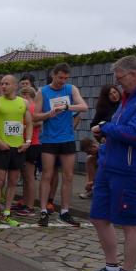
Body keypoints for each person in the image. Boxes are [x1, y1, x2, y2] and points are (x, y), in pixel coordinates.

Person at [82, 55, 136, 271]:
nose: (118, 82)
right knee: (98, 217)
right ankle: (111, 268)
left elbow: (134, 133)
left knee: (129, 223)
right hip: (109, 167)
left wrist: (105, 127)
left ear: (133, 74)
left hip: (131, 170)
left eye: (120, 77)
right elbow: (119, 130)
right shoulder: (128, 98)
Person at [34, 63, 88, 226]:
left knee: (68, 176)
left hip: (67, 138)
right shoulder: (42, 92)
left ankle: (65, 211)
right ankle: (43, 211)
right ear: (53, 75)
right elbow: (34, 116)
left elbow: (84, 107)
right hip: (49, 139)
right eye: (60, 77)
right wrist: (48, 114)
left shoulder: (71, 89)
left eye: (65, 78)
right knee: (47, 175)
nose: (62, 81)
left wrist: (67, 106)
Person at [0, 75, 33, 227]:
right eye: (2, 84)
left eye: (7, 84)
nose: (3, 86)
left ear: (15, 86)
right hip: (2, 147)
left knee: (13, 181)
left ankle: (7, 213)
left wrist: (28, 142)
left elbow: (29, 123)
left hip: (18, 148)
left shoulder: (23, 102)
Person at [17, 86, 41, 216]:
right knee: (26, 177)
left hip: (32, 143)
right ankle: (25, 203)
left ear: (26, 95)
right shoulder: (33, 107)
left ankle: (30, 206)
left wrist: (23, 126)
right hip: (30, 143)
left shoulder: (31, 107)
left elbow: (37, 123)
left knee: (29, 176)